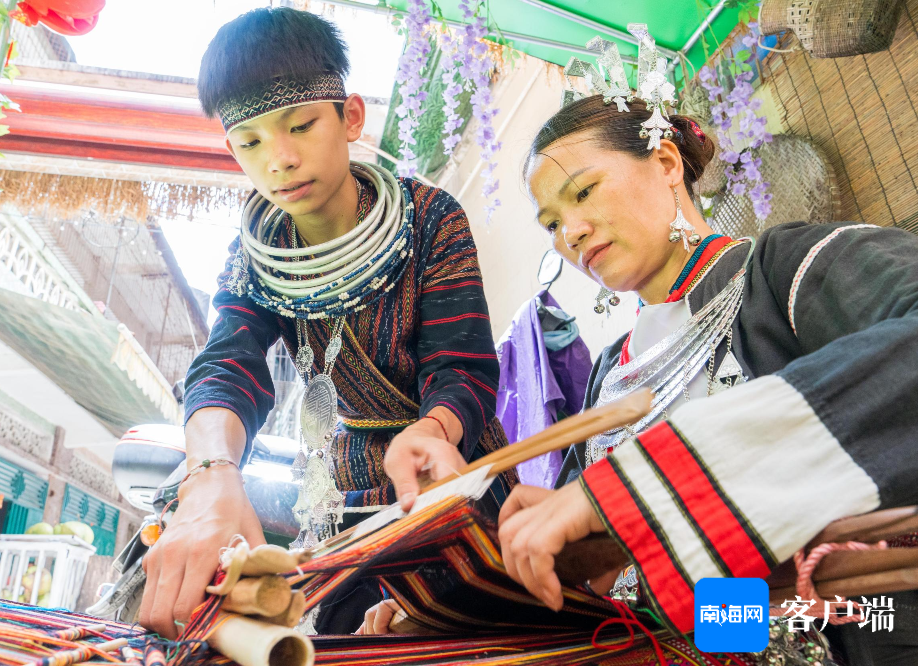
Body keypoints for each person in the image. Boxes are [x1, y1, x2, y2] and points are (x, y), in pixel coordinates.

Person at [495, 90, 918, 664]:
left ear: (666, 164)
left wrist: (642, 487)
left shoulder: (780, 273)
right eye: (550, 222)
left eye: (584, 191)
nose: (569, 231)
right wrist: (461, 596)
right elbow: (666, 593)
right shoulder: (608, 377)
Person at [139, 7, 515, 639]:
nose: (279, 160)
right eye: (250, 142)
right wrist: (210, 475)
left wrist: (436, 430)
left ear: (352, 117)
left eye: (301, 125)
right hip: (346, 510)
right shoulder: (255, 252)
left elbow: (464, 366)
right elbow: (227, 363)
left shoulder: (430, 218)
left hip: (453, 485)